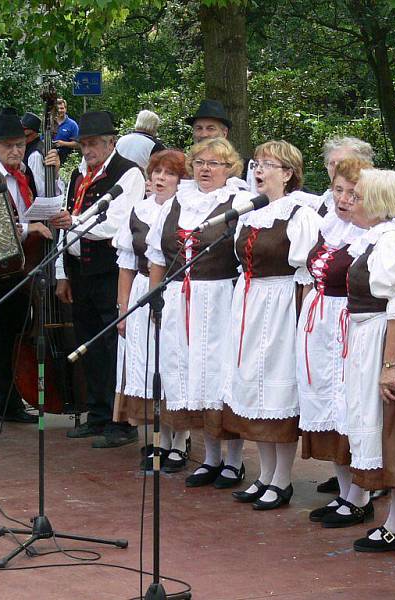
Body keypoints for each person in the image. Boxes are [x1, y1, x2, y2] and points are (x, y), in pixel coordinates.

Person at [219, 140, 321, 510]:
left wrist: (305, 320)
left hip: (283, 302)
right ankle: (264, 474)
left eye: (269, 165)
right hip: (250, 300)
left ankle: (282, 479)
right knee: (254, 388)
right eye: (257, 163)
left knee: (278, 390)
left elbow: (308, 272)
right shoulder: (248, 212)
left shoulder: (301, 213)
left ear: (288, 173)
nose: (258, 170)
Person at [145, 137, 250, 488]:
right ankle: (210, 457)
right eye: (201, 162)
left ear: (230, 169)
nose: (206, 169)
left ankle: (233, 462)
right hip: (179, 299)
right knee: (193, 377)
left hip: (220, 299)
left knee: (221, 378)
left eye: (215, 163)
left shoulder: (240, 201)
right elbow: (157, 257)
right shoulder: (178, 201)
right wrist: (155, 299)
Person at [342, 168, 395, 551]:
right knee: (388, 425)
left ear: (379, 203)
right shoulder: (381, 239)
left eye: (358, 196)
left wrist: (390, 365)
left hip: (389, 342)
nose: (350, 202)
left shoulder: (393, 242)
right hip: (375, 338)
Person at [55, 110, 146, 448]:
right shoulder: (79, 175)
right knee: (89, 345)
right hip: (81, 271)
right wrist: (63, 272)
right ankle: (96, 414)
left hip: (110, 271)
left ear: (110, 142)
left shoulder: (128, 174)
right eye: (83, 143)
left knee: (113, 347)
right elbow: (65, 227)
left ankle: (120, 422)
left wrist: (73, 224)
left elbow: (117, 225)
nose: (87, 149)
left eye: (93, 143)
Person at [0, 108, 60, 433]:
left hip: (20, 271)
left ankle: (9, 401)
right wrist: (29, 227)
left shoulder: (25, 175)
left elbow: (33, 207)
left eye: (19, 145)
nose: (15, 151)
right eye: (8, 146)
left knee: (13, 339)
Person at [296, 157, 370, 524]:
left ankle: (360, 494)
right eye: (338, 190)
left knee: (348, 404)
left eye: (352, 193)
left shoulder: (371, 235)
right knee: (326, 401)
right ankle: (344, 491)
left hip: (348, 322)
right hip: (321, 319)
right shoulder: (328, 226)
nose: (343, 199)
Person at [113, 149, 187, 470]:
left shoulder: (185, 211)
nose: (160, 178)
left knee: (171, 362)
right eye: (156, 171)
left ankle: (179, 441)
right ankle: (157, 440)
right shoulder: (139, 211)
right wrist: (123, 308)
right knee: (147, 364)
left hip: (174, 291)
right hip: (144, 289)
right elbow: (127, 263)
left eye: (169, 173)